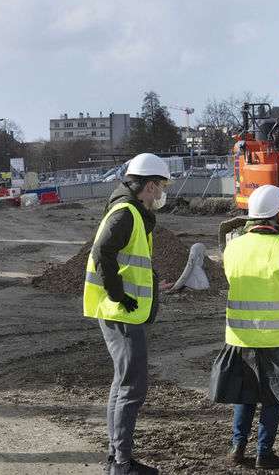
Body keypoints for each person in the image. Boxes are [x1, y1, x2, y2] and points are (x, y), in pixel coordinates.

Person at [210, 185, 279, 470]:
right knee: (272, 396)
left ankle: (237, 446)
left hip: (241, 337)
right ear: (278, 213)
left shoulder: (233, 246)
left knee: (245, 393)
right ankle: (264, 452)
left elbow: (233, 280)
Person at [82, 152, 168, 475]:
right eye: (160, 187)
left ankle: (116, 459)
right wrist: (118, 293)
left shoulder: (132, 212)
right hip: (122, 313)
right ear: (148, 186)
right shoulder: (127, 213)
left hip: (124, 312)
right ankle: (120, 463)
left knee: (124, 383)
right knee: (132, 386)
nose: (161, 194)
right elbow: (103, 250)